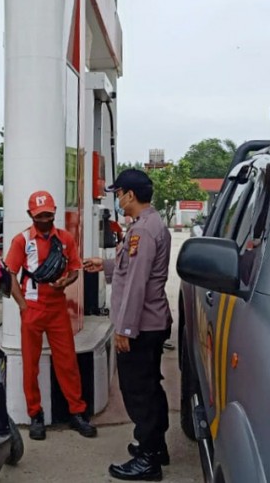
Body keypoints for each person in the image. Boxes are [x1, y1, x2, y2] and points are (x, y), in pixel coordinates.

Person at [83, 169, 172, 481]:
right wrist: (104, 264)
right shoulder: (145, 225)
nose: (117, 199)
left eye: (119, 193)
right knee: (149, 386)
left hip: (141, 326)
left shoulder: (143, 231)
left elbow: (136, 284)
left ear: (130, 195)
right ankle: (155, 446)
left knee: (138, 392)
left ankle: (149, 460)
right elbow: (129, 268)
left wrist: (124, 329)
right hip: (148, 323)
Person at [5, 190, 97, 441]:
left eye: (48, 215)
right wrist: (22, 306)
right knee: (30, 365)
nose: (44, 220)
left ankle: (77, 412)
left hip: (57, 308)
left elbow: (76, 268)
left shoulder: (66, 238)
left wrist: (67, 280)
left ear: (54, 212)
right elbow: (10, 274)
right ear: (30, 215)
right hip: (32, 310)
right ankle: (35, 414)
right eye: (39, 216)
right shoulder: (22, 240)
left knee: (67, 362)